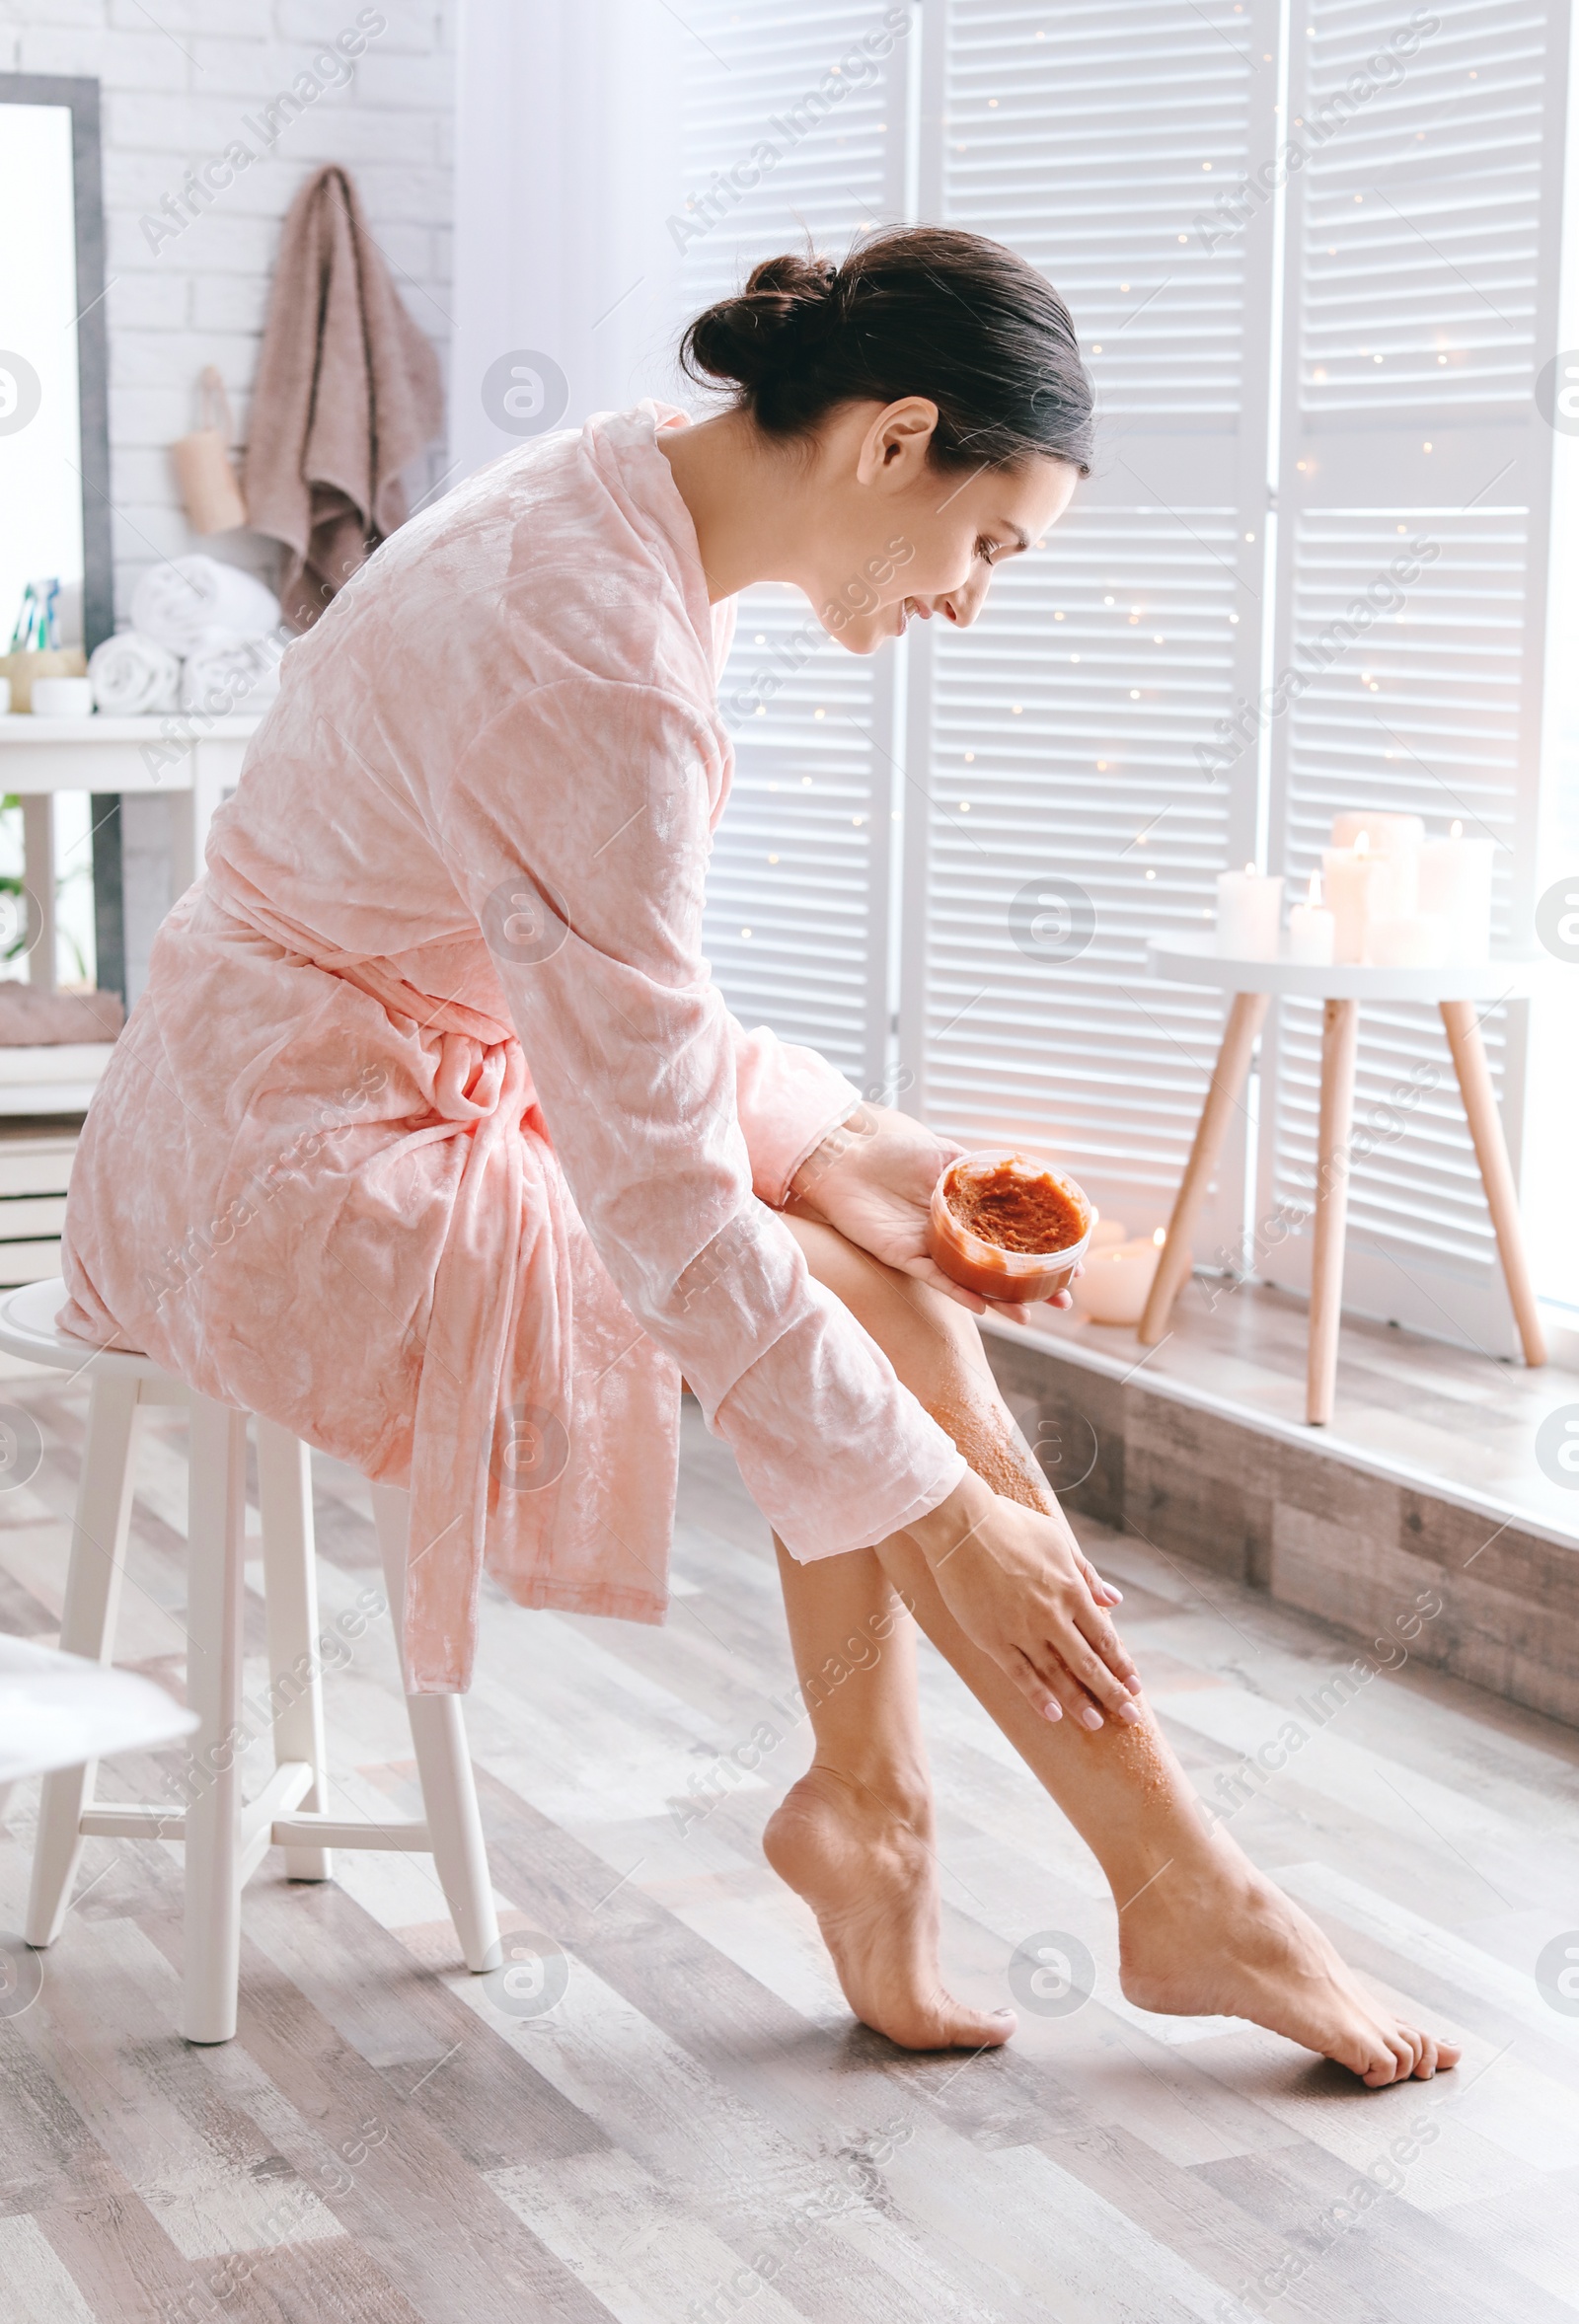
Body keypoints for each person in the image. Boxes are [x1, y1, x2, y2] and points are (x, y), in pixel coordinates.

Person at [61, 228, 1457, 2085]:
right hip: (269, 1160)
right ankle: (1164, 1876)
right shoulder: (600, 661)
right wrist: (964, 1516)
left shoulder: (633, 498)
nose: (975, 600)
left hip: (340, 1061)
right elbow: (661, 1206)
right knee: (846, 1307)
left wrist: (853, 1148)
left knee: (868, 1261)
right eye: (991, 546)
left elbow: (601, 996)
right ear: (892, 441)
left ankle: (900, 1821)